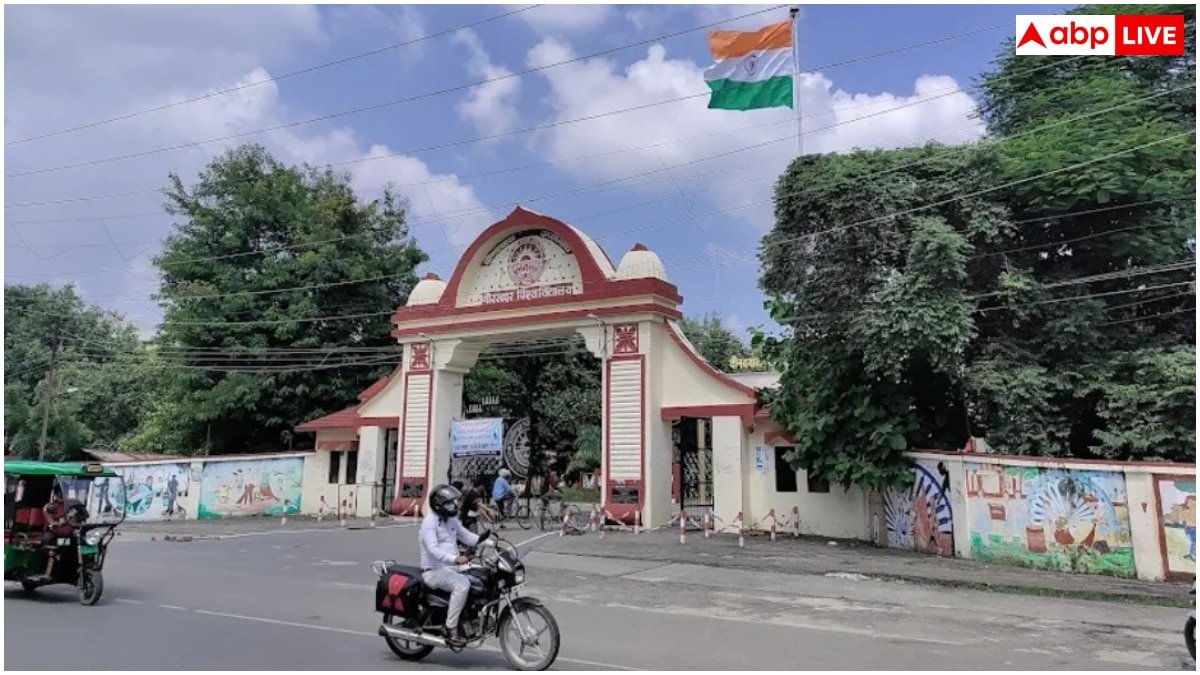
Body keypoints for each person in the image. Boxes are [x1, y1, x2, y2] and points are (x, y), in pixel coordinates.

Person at [419, 484, 481, 646]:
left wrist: (489, 542)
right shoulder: (429, 523)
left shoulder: (450, 520)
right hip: (434, 571)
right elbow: (433, 550)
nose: (455, 505)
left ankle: (470, 618)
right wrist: (455, 559)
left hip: (452, 567)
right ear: (439, 504)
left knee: (481, 577)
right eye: (450, 503)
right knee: (462, 585)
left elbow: (467, 536)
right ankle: (450, 628)